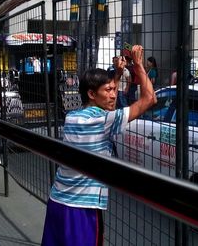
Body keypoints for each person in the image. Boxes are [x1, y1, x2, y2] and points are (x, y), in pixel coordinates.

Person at [41, 45, 157, 246]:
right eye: (108, 90)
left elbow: (106, 103)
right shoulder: (104, 121)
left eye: (114, 89)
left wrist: (118, 74)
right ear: (92, 94)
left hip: (58, 201)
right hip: (81, 209)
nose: (113, 95)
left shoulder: (72, 117)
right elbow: (150, 99)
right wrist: (138, 64)